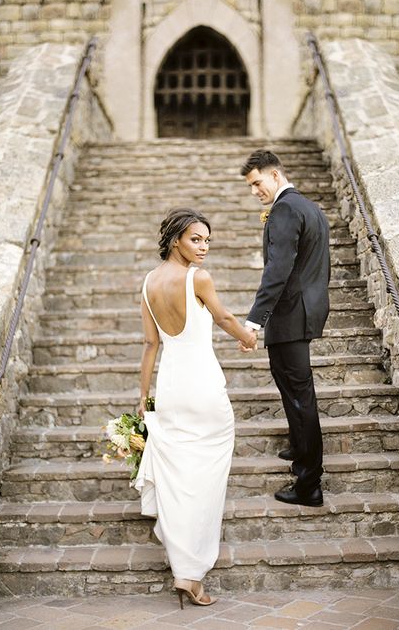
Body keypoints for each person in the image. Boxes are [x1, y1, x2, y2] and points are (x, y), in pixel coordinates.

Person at [134, 208, 256, 608]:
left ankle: (181, 561)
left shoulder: (149, 283)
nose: (203, 248)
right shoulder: (197, 278)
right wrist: (248, 338)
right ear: (176, 241)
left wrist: (142, 397)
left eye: (207, 241)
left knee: (178, 474)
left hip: (170, 387)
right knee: (205, 480)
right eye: (195, 240)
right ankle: (190, 571)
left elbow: (150, 345)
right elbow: (222, 316)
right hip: (202, 387)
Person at [240, 150, 330, 508]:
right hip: (302, 310)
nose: (254, 191)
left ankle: (309, 484)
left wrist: (253, 321)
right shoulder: (311, 208)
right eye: (250, 186)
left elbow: (277, 270)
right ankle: (297, 444)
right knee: (288, 383)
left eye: (257, 183)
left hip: (291, 313)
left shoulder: (285, 210)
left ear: (275, 175)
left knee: (299, 394)